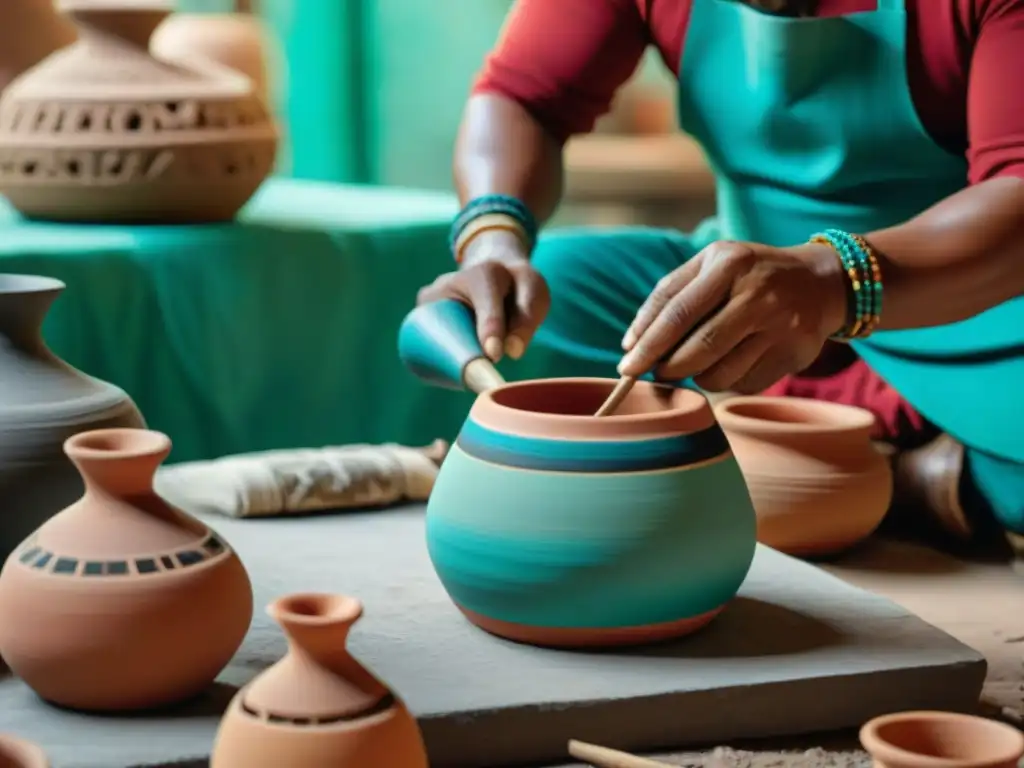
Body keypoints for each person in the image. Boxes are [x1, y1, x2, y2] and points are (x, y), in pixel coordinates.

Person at [416, 0, 1024, 550]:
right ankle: (874, 468)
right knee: (546, 293)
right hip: (740, 296)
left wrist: (826, 279)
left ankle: (894, 481)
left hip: (965, 302)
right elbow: (524, 98)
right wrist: (492, 245)